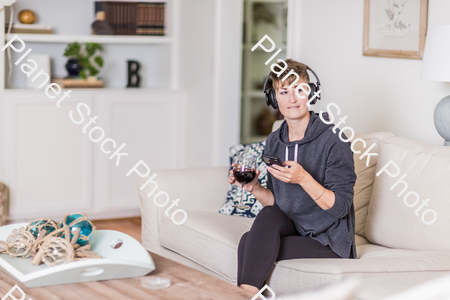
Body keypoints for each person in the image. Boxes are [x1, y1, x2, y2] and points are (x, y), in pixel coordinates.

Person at [229, 59, 357, 295]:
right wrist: (255, 188)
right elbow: (278, 204)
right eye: (284, 92)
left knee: (250, 243)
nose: (292, 99)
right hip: (295, 229)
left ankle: (243, 296)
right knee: (261, 222)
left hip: (329, 242)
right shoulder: (274, 140)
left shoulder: (334, 140)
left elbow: (340, 208)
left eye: (300, 90)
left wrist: (303, 179)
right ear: (273, 98)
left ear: (311, 93)